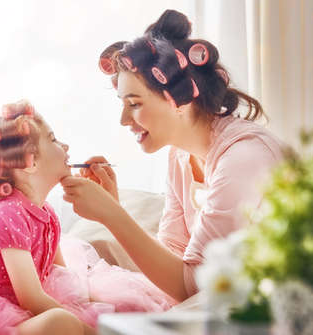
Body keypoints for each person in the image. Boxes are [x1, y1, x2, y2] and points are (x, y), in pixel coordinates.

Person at [0, 100, 174, 335]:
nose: (66, 147)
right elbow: (31, 297)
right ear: (30, 162)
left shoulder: (46, 214)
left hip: (26, 312)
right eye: (53, 140)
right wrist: (88, 329)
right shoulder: (7, 214)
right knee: (61, 324)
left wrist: (92, 308)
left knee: (114, 307)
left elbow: (63, 278)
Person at [61, 9, 285, 303]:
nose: (124, 120)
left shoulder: (244, 158)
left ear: (179, 100)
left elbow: (194, 287)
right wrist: (115, 206)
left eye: (135, 104)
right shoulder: (180, 156)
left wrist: (112, 215)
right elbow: (173, 256)